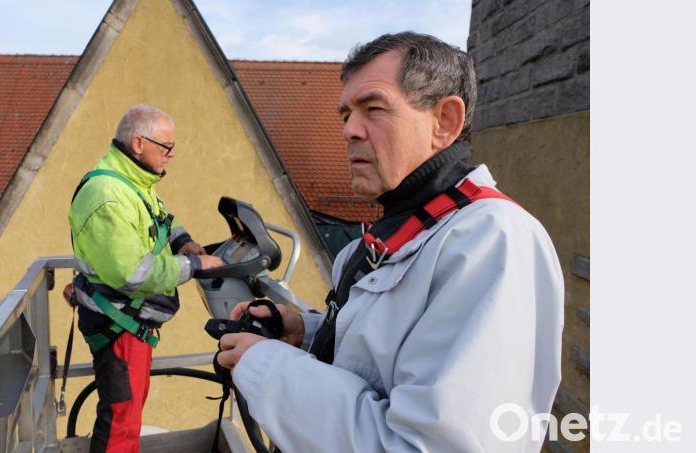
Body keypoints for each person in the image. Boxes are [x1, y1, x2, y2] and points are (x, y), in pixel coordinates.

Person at [216, 32, 564, 452]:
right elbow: (384, 363)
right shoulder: (387, 236)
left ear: (445, 122)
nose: (349, 130)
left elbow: (422, 446)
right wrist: (307, 333)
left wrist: (264, 365)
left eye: (373, 108)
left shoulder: (491, 241)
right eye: (345, 114)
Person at [68, 103, 223, 452]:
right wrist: (195, 267)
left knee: (127, 414)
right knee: (121, 421)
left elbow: (161, 217)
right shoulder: (107, 196)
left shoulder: (133, 181)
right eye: (166, 147)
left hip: (130, 322)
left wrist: (185, 243)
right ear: (139, 143)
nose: (172, 154)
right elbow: (131, 274)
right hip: (120, 323)